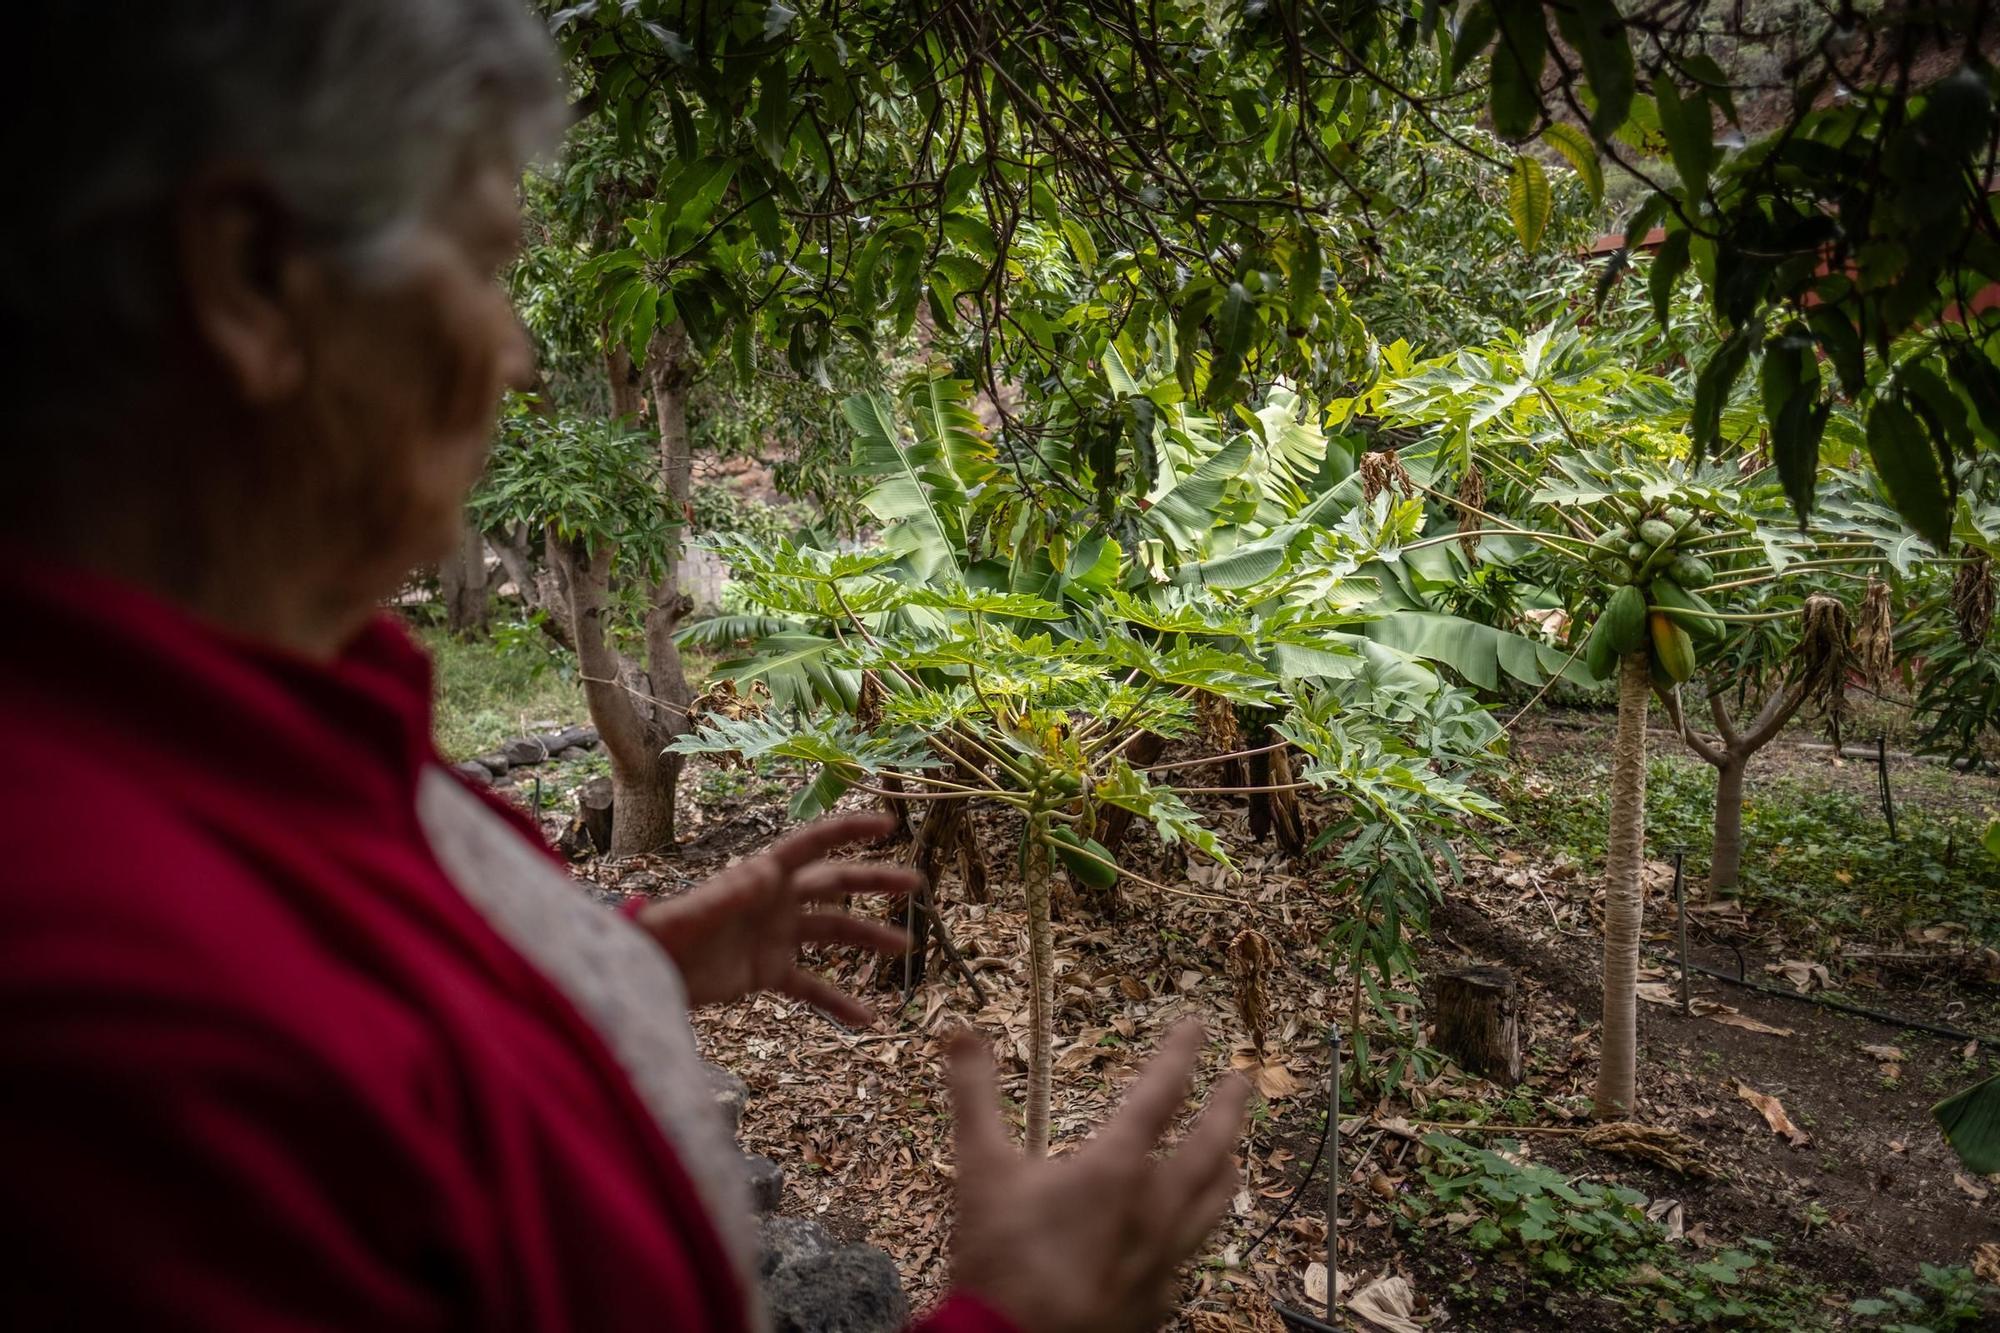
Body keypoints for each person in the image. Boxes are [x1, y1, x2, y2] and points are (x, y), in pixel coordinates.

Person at [0, 4, 1247, 1331]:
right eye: (482, 265)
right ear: (251, 276)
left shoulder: (250, 712)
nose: (517, 353)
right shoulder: (121, 1025)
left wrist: (613, 966)